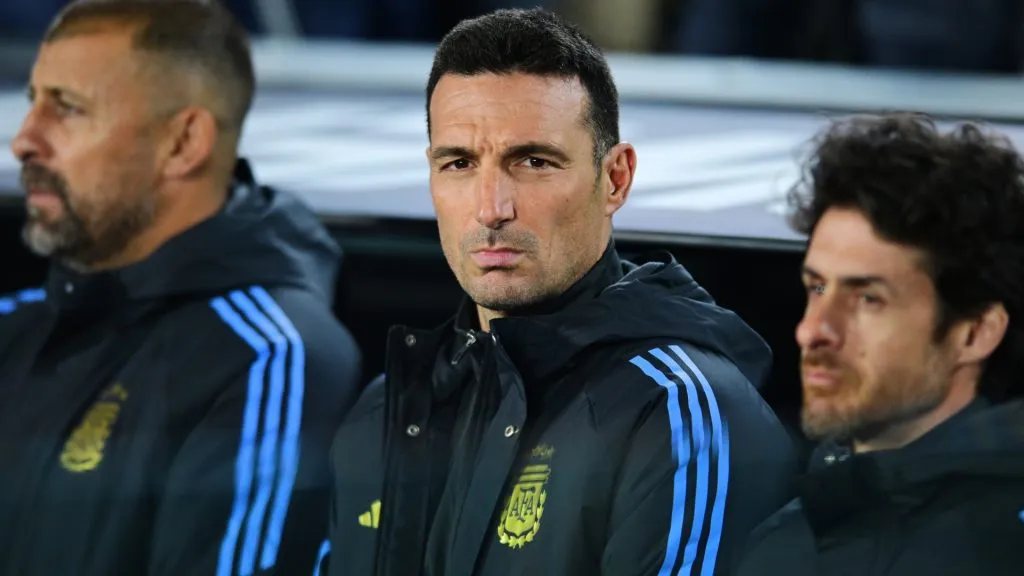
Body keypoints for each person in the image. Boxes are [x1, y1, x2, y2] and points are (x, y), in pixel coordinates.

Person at [320, 8, 798, 576]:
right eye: (459, 163)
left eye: (533, 161)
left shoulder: (680, 417)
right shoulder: (390, 409)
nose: (491, 208)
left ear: (615, 179)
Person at [0, 1, 363, 574]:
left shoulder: (270, 358)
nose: (24, 140)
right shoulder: (15, 325)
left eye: (67, 108)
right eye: (33, 102)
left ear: (183, 142)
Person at [732, 114, 1024, 576]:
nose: (813, 330)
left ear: (975, 332)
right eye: (817, 288)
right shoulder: (784, 542)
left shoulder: (998, 549)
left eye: (868, 299)